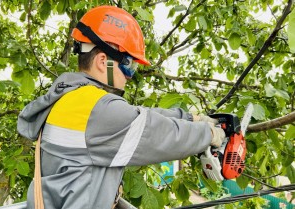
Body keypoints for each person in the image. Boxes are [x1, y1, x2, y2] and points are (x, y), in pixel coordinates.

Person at [17, 5, 225, 209]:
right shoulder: (98, 109)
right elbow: (161, 135)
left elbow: (139, 116)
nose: (129, 76)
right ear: (102, 61)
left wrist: (191, 118)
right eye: (128, 65)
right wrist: (209, 133)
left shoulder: (70, 98)